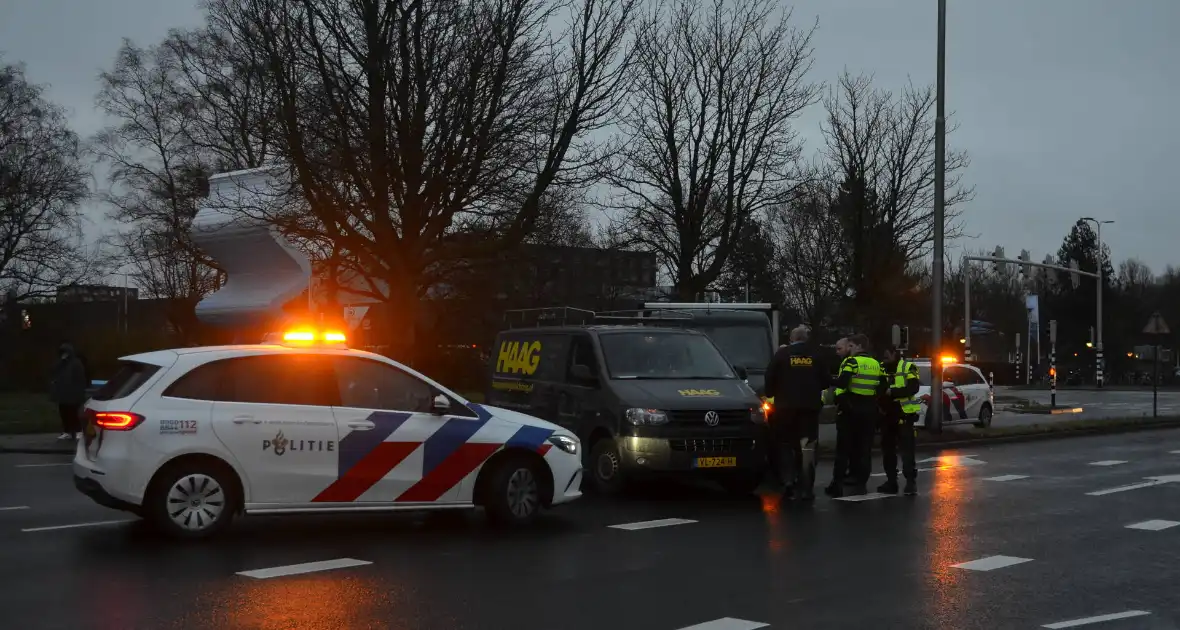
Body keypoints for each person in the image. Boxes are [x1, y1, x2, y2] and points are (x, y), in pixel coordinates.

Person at [763, 325, 829, 500]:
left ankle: (788, 482)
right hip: (809, 409)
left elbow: (769, 378)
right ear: (806, 338)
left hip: (785, 409)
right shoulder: (816, 355)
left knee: (784, 445)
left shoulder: (782, 355)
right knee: (807, 447)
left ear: (791, 339)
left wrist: (772, 393)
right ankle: (806, 487)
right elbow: (826, 381)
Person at [824, 334, 882, 498]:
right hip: (869, 409)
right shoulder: (875, 363)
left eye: (850, 346)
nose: (849, 349)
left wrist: (827, 379)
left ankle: (837, 484)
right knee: (864, 447)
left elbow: (843, 383)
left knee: (843, 449)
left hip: (851, 409)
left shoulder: (851, 362)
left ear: (858, 346)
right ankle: (860, 480)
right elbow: (883, 384)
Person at [878, 345, 920, 495]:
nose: (884, 358)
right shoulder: (881, 368)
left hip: (904, 415)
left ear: (894, 353)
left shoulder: (908, 367)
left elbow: (913, 388)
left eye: (886, 354)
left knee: (907, 451)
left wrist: (892, 392)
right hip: (886, 415)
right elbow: (878, 388)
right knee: (888, 451)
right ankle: (891, 482)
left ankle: (910, 482)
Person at [49, 343, 89, 441]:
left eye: (65, 352)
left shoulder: (76, 363)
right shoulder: (60, 364)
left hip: (73, 394)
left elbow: (80, 379)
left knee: (73, 413)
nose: (64, 355)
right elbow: (54, 374)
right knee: (64, 413)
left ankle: (78, 431)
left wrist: (79, 392)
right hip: (63, 394)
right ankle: (67, 432)